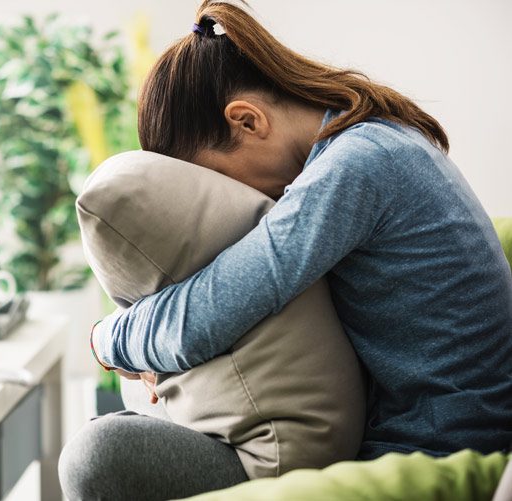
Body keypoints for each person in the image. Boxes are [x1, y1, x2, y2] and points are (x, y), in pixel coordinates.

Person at [58, 1, 512, 500]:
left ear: (247, 122)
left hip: (434, 455)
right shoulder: (382, 140)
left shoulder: (357, 166)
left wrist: (106, 340)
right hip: (427, 434)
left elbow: (209, 312)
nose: (243, 201)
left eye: (219, 179)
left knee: (99, 455)